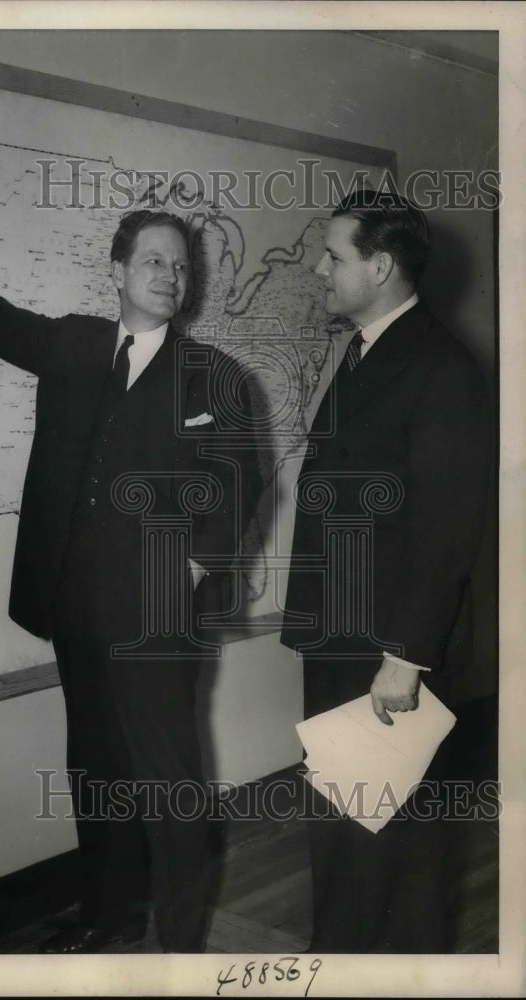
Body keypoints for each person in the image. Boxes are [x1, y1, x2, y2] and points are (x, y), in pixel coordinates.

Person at [0, 162, 258, 954]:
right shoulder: (72, 346)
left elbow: (239, 485)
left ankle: (179, 947)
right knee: (99, 776)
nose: (170, 276)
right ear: (117, 271)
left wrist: (196, 568)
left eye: (180, 265)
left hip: (156, 625)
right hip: (77, 611)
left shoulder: (217, 377)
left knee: (168, 785)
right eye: (153, 261)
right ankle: (110, 924)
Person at [280, 189, 491, 952]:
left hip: (386, 650)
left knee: (391, 839)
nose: (317, 267)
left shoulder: (441, 369)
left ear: (379, 265)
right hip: (339, 637)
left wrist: (402, 661)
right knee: (343, 820)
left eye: (332, 255)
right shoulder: (369, 349)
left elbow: (444, 531)